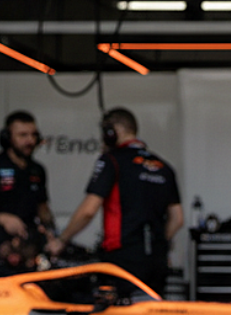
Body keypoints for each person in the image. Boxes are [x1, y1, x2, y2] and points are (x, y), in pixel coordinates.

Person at [50, 108, 183, 295]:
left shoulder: (112, 160)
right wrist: (157, 243)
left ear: (112, 133)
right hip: (157, 259)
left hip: (123, 257)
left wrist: (62, 240)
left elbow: (88, 211)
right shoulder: (164, 167)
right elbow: (177, 219)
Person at [0, 110, 58, 274]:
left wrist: (51, 233)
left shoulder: (37, 170)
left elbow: (43, 209)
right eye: (22, 135)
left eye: (33, 135)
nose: (29, 141)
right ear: (7, 138)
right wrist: (2, 218)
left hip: (29, 248)